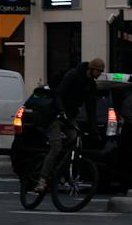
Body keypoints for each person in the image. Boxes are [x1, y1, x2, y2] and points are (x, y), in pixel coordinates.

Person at [34, 58, 104, 198]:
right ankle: (42, 180)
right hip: (55, 114)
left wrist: (95, 131)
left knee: (75, 141)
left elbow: (91, 110)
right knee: (56, 146)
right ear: (91, 69)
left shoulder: (91, 86)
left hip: (70, 117)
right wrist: (61, 112)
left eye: (101, 72)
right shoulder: (73, 75)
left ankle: (61, 171)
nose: (99, 74)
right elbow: (59, 94)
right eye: (98, 71)